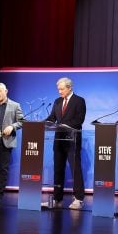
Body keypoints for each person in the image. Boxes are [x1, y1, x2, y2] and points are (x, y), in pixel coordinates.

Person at [44, 77, 86, 210]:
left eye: (62, 89)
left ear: (69, 88)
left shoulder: (79, 101)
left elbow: (79, 120)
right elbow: (52, 118)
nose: (59, 91)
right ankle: (57, 199)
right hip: (59, 140)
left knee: (75, 169)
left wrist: (63, 125)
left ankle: (78, 199)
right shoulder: (57, 101)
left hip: (72, 140)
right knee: (58, 169)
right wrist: (43, 123)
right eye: (58, 89)